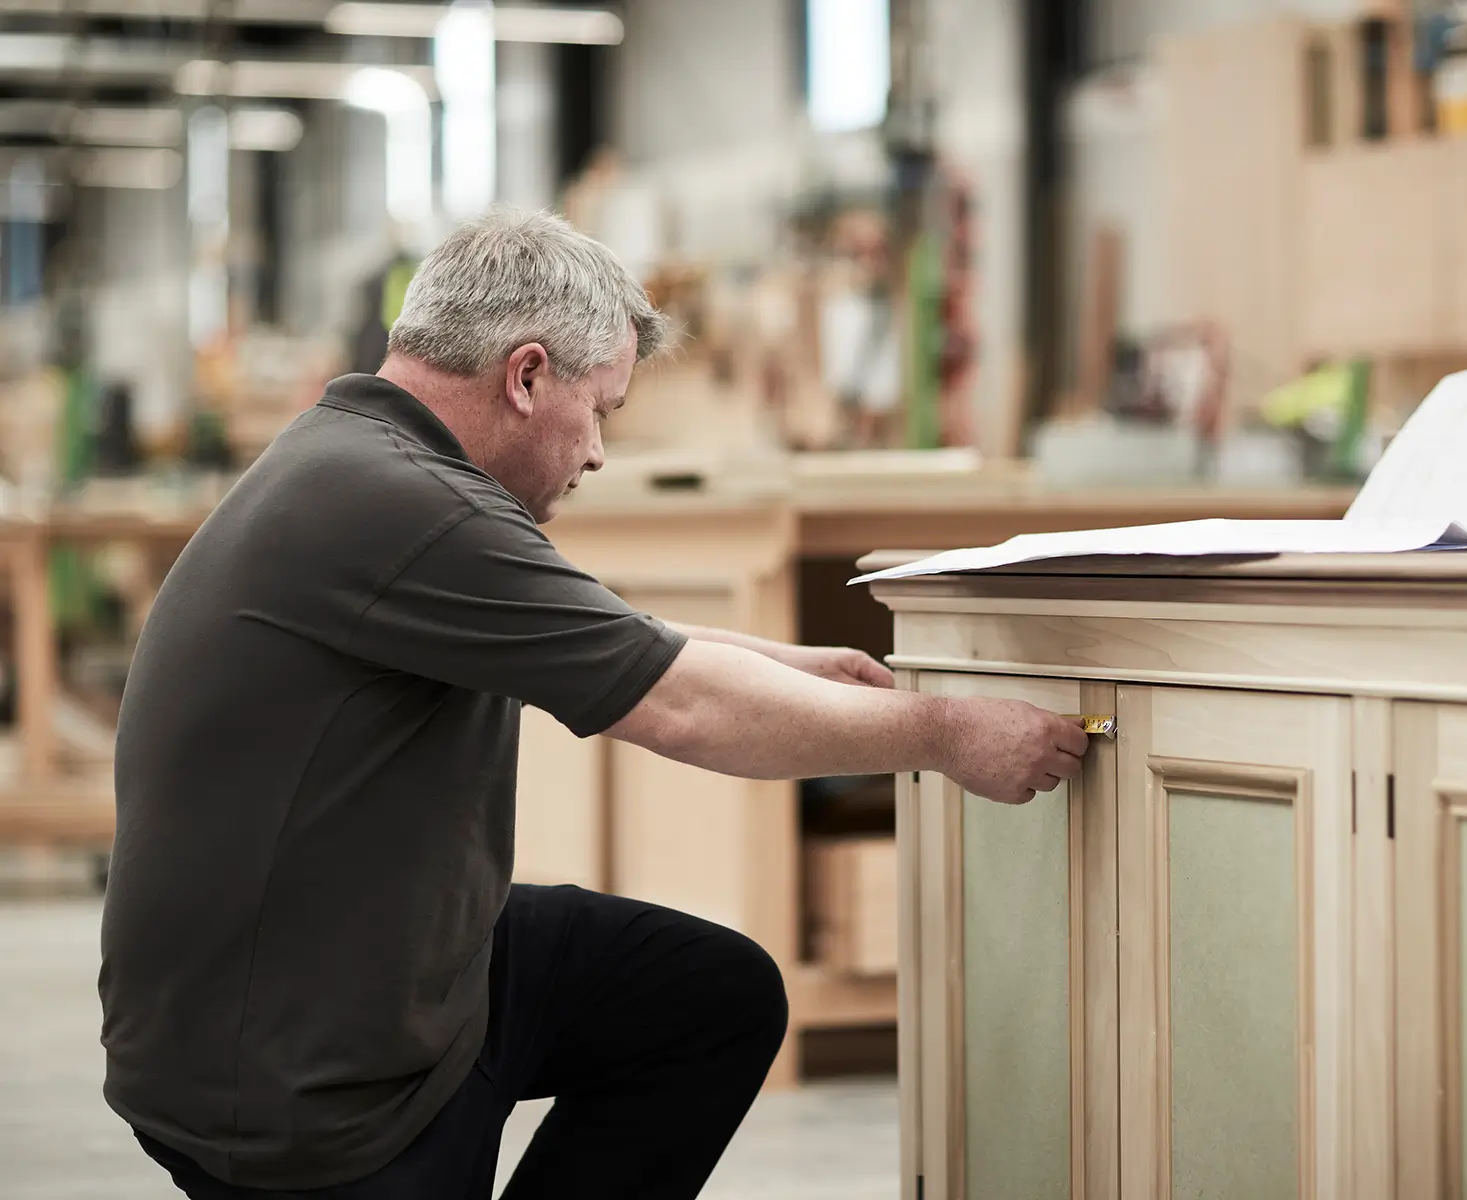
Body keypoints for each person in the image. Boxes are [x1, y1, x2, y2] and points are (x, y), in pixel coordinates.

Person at [98, 207, 1088, 1200]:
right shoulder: (410, 507)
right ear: (526, 377)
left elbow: (604, 636)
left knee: (708, 999)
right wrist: (949, 734)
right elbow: (683, 708)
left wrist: (793, 664)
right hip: (303, 1077)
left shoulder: (359, 457)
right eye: (603, 411)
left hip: (342, 967)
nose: (602, 453)